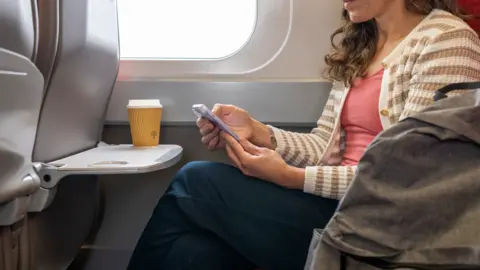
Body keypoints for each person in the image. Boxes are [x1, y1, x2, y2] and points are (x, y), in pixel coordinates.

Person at [127, 1, 480, 270]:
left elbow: (408, 179)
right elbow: (323, 147)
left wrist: (291, 178)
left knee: (197, 181)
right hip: (339, 207)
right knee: (195, 252)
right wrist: (258, 130)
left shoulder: (447, 40)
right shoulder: (366, 47)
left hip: (381, 227)